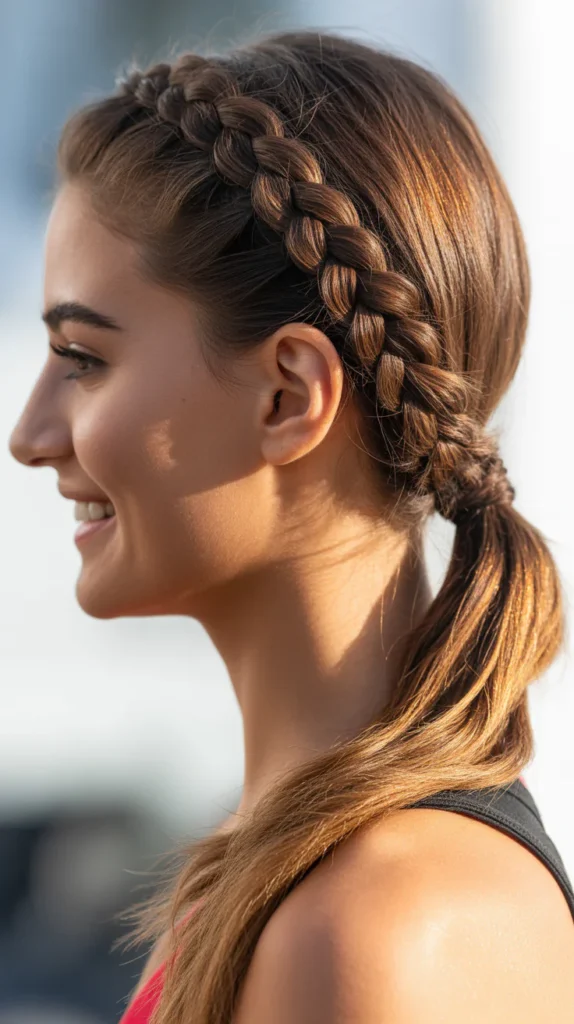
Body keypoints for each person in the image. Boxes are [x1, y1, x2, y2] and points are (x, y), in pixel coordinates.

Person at [8, 29, 574, 1024]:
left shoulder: (376, 926)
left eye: (85, 358)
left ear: (287, 396)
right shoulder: (286, 877)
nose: (30, 434)